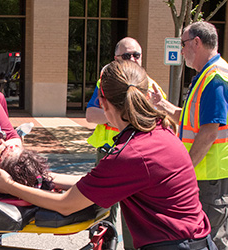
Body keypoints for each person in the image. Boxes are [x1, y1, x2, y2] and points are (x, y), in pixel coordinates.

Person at [0, 60, 217, 250]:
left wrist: (11, 186)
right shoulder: (159, 131)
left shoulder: (132, 153)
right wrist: (44, 177)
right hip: (195, 241)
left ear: (103, 104)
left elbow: (66, 205)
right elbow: (95, 183)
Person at [153, 21, 228, 250]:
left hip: (213, 178)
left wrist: (185, 169)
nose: (181, 50)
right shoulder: (207, 75)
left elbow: (209, 132)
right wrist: (161, 104)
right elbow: (189, 120)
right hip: (208, 175)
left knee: (210, 242)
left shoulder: (216, 78)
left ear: (197, 42)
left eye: (183, 44)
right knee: (199, 240)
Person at [85, 37, 167, 249]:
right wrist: (120, 113)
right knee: (103, 213)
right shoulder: (105, 84)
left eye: (136, 55)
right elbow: (91, 114)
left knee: (136, 216)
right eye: (126, 55)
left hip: (137, 157)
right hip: (108, 153)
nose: (132, 59)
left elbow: (164, 123)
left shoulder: (152, 87)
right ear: (115, 59)